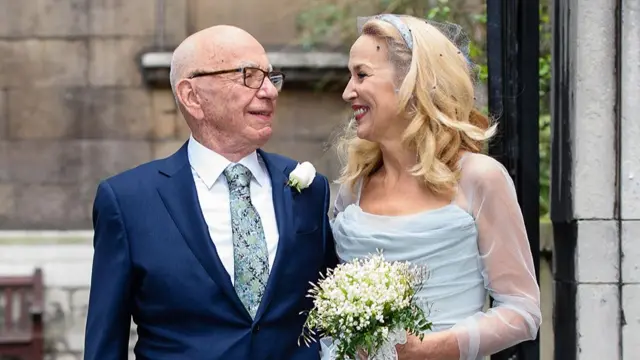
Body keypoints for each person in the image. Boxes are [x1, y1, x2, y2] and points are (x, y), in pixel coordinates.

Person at [84, 25, 338, 360]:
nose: (269, 92)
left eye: (271, 76)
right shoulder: (128, 201)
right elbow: (105, 342)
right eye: (249, 75)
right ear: (192, 96)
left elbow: (330, 311)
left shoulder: (309, 188)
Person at [328, 14, 541, 360]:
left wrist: (435, 349)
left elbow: (523, 310)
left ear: (412, 81)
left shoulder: (480, 178)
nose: (347, 91)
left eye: (361, 74)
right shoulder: (355, 186)